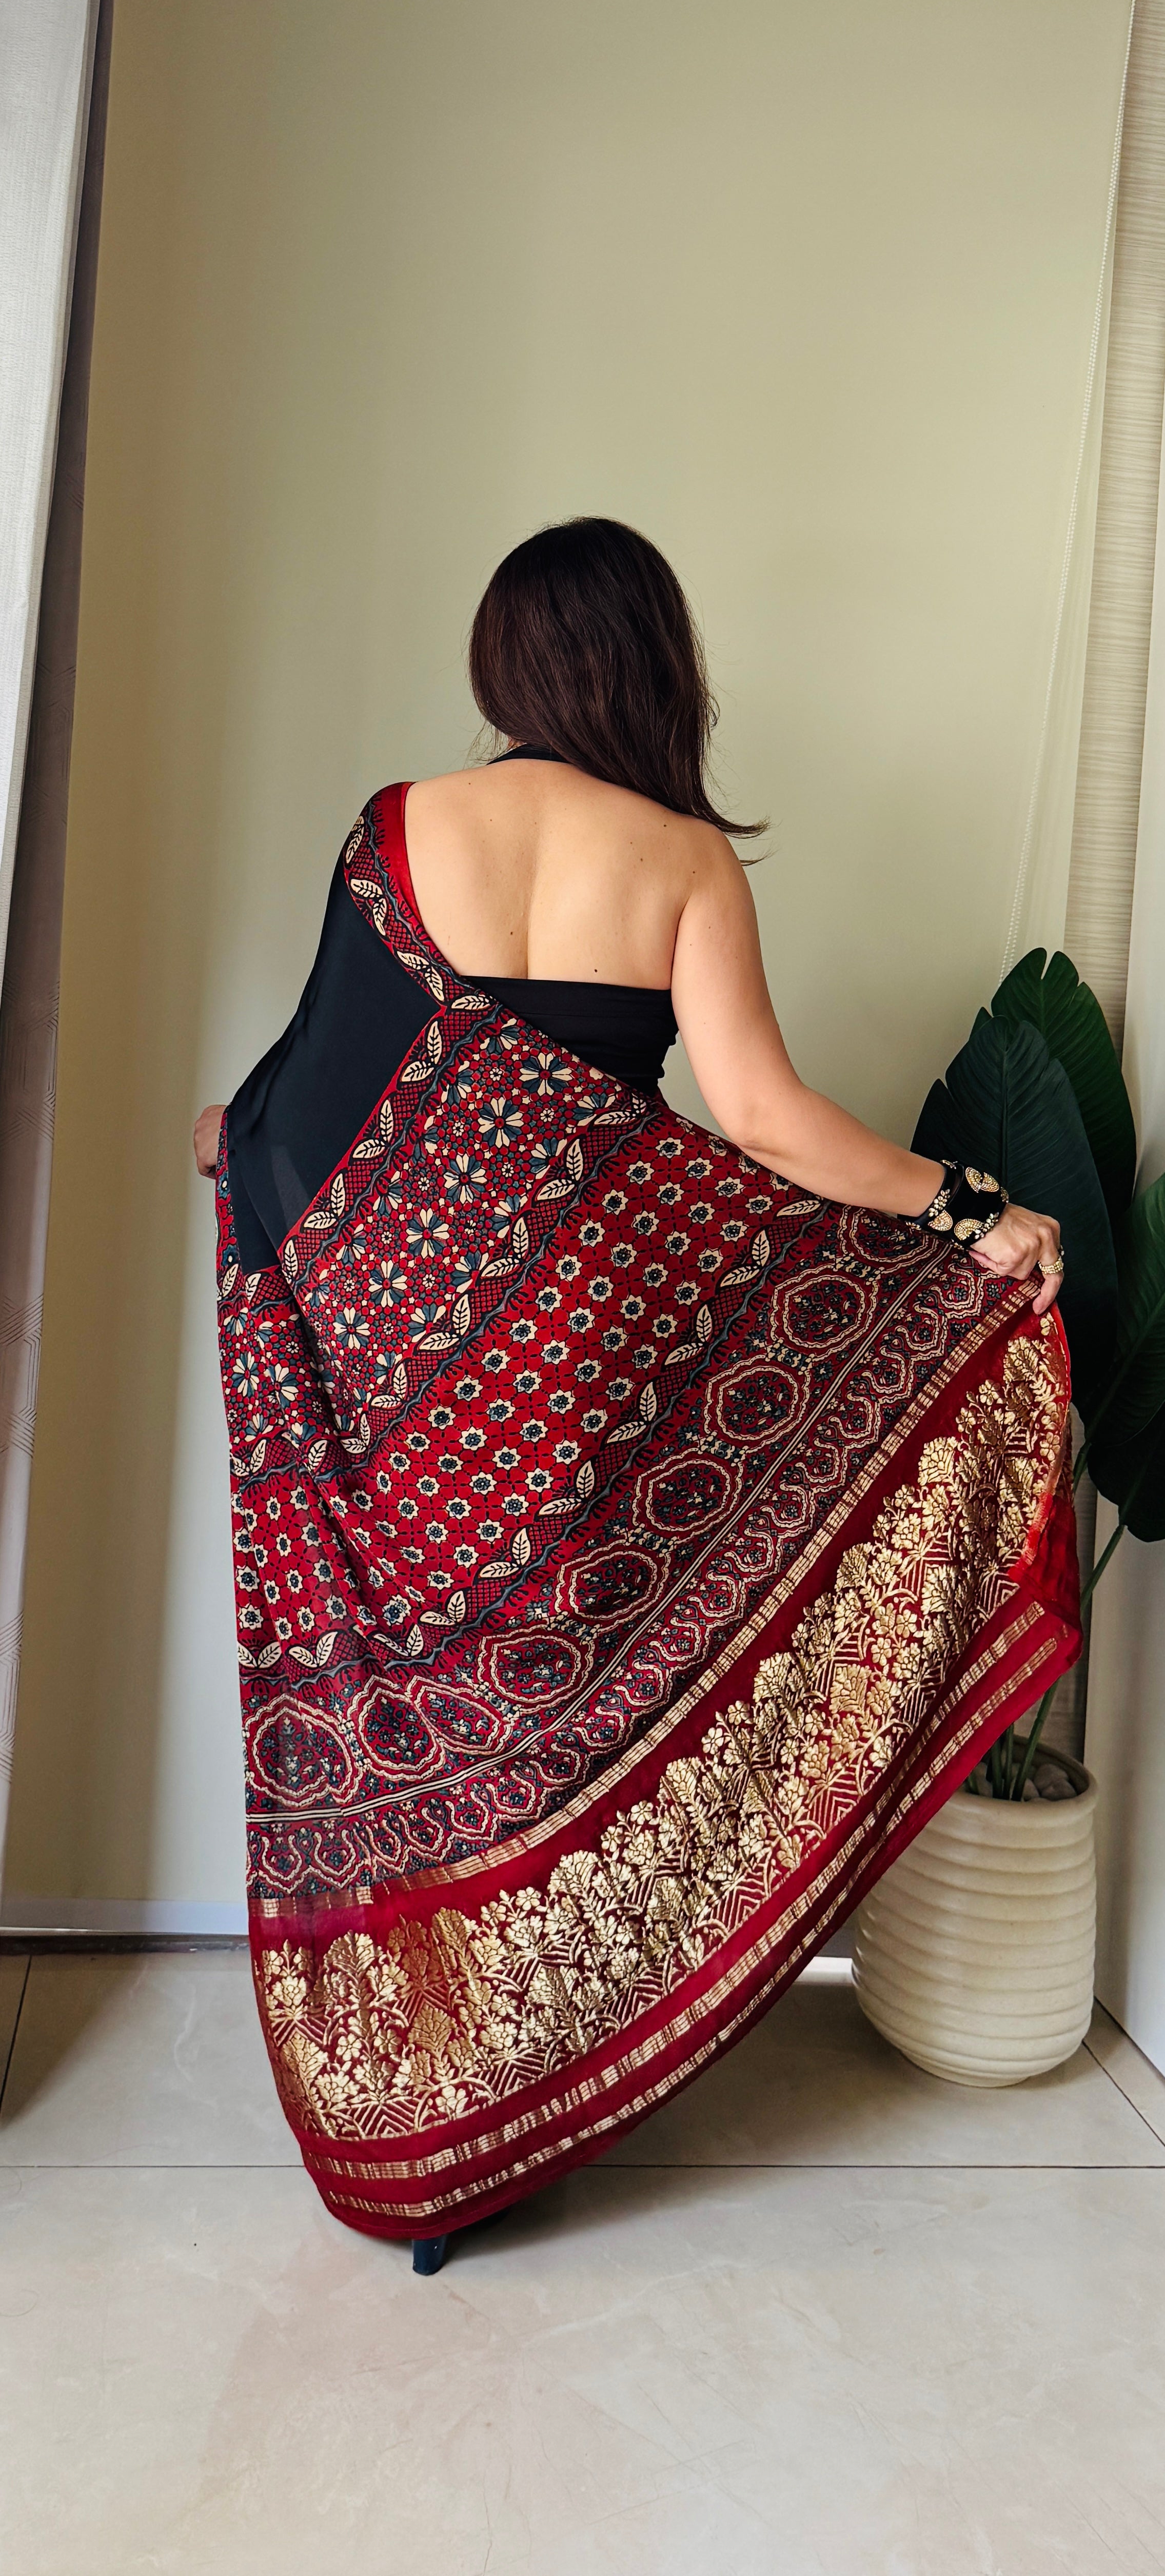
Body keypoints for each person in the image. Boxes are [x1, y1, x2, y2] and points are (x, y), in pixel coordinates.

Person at [196, 518, 1077, 2272]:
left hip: (394, 1351)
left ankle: (429, 2132)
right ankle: (534, 2098)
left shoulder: (396, 828)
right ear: (657, 669)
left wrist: (254, 1191)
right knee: (554, 1698)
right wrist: (973, 1212)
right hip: (577, 1357)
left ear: (508, 668)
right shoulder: (680, 858)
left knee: (424, 1711)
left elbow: (302, 1089)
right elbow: (762, 1118)